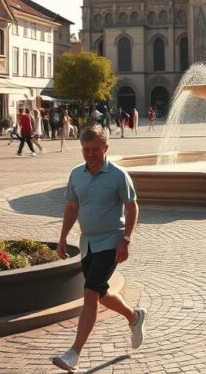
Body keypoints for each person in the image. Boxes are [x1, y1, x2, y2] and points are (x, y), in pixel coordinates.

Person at [53, 125, 146, 372]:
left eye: (95, 150)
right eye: (86, 150)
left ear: (106, 148)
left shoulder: (118, 175)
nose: (90, 155)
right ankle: (134, 317)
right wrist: (63, 237)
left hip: (111, 241)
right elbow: (72, 207)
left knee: (90, 292)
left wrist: (126, 239)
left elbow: (132, 207)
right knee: (101, 293)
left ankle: (74, 353)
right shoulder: (76, 174)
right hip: (88, 243)